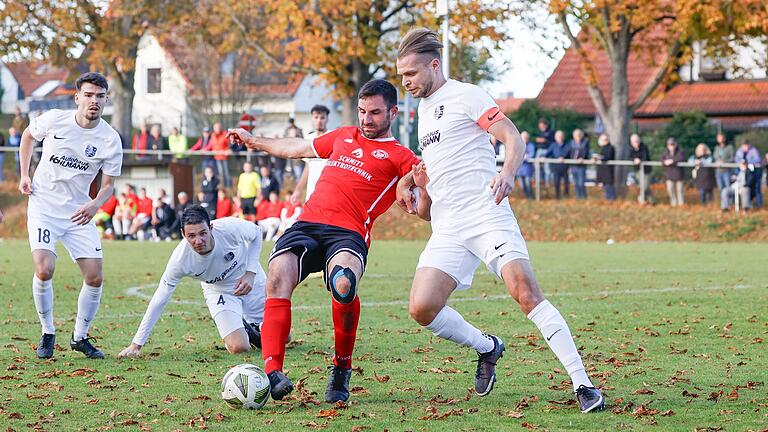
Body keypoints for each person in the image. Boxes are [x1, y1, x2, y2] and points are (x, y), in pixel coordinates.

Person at [394, 28, 603, 413]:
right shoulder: (423, 112)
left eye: (410, 73)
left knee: (525, 293)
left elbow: (513, 137)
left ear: (434, 65)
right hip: (448, 226)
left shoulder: (467, 95)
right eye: (401, 75)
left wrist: (507, 173)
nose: (405, 82)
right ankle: (488, 347)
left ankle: (583, 383)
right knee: (422, 307)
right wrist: (414, 187)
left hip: (487, 212)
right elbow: (430, 199)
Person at [226, 79, 420, 404]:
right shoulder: (343, 135)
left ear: (393, 113)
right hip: (307, 224)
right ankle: (274, 372)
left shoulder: (400, 154)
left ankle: (341, 369)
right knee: (277, 276)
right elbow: (296, 148)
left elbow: (425, 174)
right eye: (362, 111)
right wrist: (253, 141)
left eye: (374, 112)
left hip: (349, 233)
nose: (366, 119)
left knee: (344, 285)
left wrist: (409, 184)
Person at [18, 72, 123, 359]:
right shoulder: (55, 119)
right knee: (44, 269)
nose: (94, 101)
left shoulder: (111, 139)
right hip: (44, 207)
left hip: (79, 214)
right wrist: (25, 174)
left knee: (94, 277)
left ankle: (80, 337)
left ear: (106, 100)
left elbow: (109, 186)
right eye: (88, 95)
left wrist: (94, 205)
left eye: (100, 96)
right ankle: (48, 331)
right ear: (77, 97)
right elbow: (28, 135)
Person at [117, 206, 267, 357]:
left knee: (283, 337)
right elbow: (159, 299)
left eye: (203, 233)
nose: (198, 241)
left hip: (250, 279)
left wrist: (250, 273)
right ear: (183, 234)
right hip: (219, 291)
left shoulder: (229, 228)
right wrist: (136, 344)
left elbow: (256, 233)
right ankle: (238, 327)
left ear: (211, 227)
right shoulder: (180, 259)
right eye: (191, 236)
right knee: (239, 347)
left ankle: (253, 325)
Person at [293, 104, 331, 204]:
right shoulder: (308, 138)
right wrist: (298, 190)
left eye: (322, 117)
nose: (319, 120)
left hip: (329, 189)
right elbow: (307, 167)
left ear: (327, 119)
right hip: (312, 189)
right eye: (316, 117)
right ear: (312, 119)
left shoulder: (333, 137)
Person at [734, 140, 762, 208]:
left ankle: (759, 205)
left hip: (754, 172)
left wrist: (748, 162)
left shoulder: (754, 150)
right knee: (746, 189)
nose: (745, 148)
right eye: (744, 146)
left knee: (756, 189)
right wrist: (741, 162)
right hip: (744, 171)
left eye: (746, 146)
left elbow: (758, 159)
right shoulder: (739, 151)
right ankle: (743, 204)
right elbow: (736, 159)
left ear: (749, 145)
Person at [546, 130, 571, 199]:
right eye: (558, 136)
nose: (560, 138)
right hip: (556, 167)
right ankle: (557, 197)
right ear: (555, 137)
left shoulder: (567, 145)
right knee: (556, 183)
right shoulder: (553, 145)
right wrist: (555, 158)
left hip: (565, 167)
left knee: (566, 183)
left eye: (561, 136)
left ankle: (566, 196)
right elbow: (547, 154)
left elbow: (569, 154)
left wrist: (563, 157)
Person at [661, 137, 686, 207]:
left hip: (679, 175)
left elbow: (681, 158)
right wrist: (665, 162)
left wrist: (672, 161)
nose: (671, 146)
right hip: (669, 175)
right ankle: (673, 203)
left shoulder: (680, 151)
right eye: (669, 145)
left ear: (675, 144)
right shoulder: (665, 152)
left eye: (672, 144)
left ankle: (681, 205)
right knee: (670, 190)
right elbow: (662, 160)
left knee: (679, 190)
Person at [629, 134, 653, 204]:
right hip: (638, 170)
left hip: (646, 171)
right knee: (644, 186)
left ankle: (641, 198)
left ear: (639, 140)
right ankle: (652, 201)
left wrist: (640, 160)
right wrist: (634, 159)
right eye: (633, 141)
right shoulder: (631, 149)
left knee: (644, 186)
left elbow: (645, 157)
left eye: (636, 141)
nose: (635, 143)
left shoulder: (644, 147)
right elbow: (630, 157)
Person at [593, 134, 616, 201]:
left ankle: (611, 200)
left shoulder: (610, 148)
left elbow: (608, 157)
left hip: (608, 172)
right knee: (605, 188)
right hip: (602, 172)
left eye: (605, 140)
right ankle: (608, 200)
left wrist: (600, 157)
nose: (604, 141)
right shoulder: (601, 148)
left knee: (609, 187)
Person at [568, 129, 590, 199]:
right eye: (576, 135)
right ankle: (578, 197)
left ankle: (583, 197)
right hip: (573, 166)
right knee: (576, 183)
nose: (577, 137)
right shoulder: (571, 143)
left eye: (579, 135)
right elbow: (568, 153)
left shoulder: (585, 143)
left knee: (581, 183)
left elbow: (586, 152)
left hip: (581, 166)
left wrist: (582, 158)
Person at [211, 123, 232, 187]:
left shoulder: (224, 134)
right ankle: (222, 185)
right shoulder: (213, 135)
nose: (217, 129)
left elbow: (229, 144)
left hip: (224, 157)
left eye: (218, 127)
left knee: (226, 172)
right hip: (217, 157)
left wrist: (227, 150)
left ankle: (228, 186)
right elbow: (212, 145)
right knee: (220, 173)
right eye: (216, 128)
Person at [534, 118, 554, 186]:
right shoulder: (540, 133)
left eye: (542, 126)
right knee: (537, 167)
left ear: (546, 125)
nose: (541, 127)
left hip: (547, 152)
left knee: (547, 168)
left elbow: (552, 143)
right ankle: (539, 183)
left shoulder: (551, 132)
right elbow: (536, 142)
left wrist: (545, 140)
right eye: (540, 126)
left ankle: (547, 184)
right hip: (539, 151)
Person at [515, 131, 535, 199]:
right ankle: (526, 196)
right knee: (522, 185)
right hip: (519, 169)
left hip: (528, 168)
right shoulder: (518, 145)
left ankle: (530, 196)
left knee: (528, 183)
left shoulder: (531, 145)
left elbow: (532, 154)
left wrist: (526, 156)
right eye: (523, 137)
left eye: (526, 137)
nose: (525, 139)